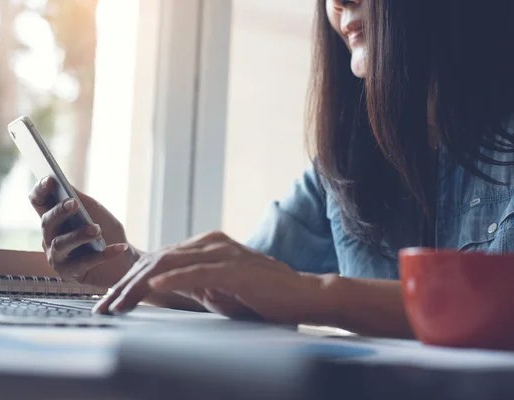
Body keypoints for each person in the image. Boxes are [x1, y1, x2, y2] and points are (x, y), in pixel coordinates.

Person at [27, 0, 514, 338]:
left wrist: (312, 293)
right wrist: (123, 262)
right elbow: (244, 284)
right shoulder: (346, 167)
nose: (338, 6)